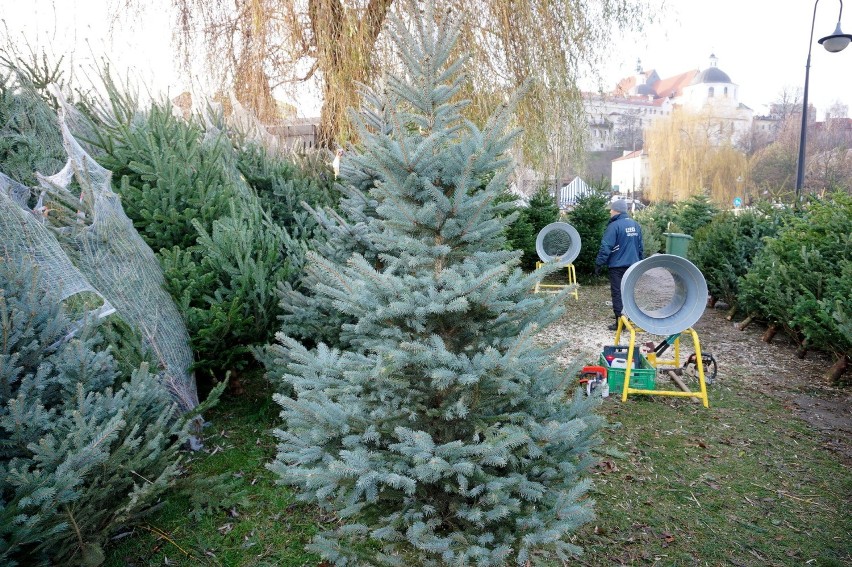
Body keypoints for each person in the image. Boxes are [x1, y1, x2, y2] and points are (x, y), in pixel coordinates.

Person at [595, 199, 644, 331]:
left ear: (617, 210)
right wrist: (640, 263)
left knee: (617, 293)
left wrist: (599, 263)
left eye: (611, 209)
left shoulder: (614, 226)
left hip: (617, 266)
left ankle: (619, 322)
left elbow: (606, 247)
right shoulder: (635, 225)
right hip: (633, 265)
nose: (610, 211)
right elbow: (640, 247)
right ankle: (627, 317)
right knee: (628, 292)